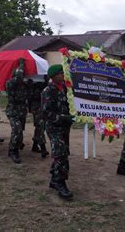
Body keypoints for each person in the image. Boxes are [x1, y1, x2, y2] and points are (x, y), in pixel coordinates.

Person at [42, 64, 74, 199]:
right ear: (53, 76)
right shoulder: (48, 91)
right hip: (54, 127)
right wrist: (64, 117)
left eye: (63, 73)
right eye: (60, 73)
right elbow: (47, 113)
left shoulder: (66, 89)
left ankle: (54, 179)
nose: (62, 75)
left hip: (65, 127)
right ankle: (61, 183)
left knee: (63, 153)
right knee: (60, 153)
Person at [6, 58, 28, 163]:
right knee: (17, 130)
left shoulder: (24, 84)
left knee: (20, 131)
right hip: (13, 111)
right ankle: (13, 150)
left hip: (22, 111)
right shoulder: (10, 83)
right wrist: (22, 64)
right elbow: (19, 77)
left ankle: (15, 146)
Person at [28, 77, 50, 158]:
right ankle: (43, 147)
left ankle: (35, 145)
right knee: (40, 125)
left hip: (43, 104)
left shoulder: (43, 77)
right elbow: (30, 94)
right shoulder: (31, 79)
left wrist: (45, 79)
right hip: (36, 105)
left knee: (39, 125)